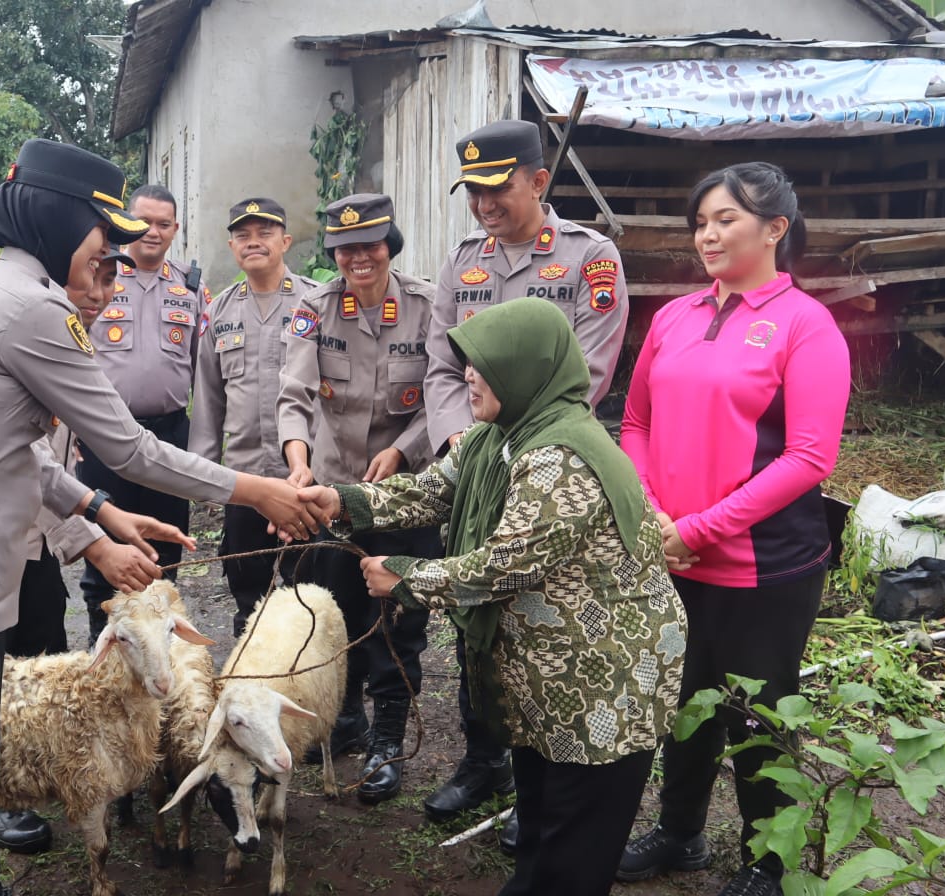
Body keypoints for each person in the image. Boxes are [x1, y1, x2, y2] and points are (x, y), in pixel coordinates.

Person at [0, 138, 320, 896]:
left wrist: (97, 511)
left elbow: (19, 450)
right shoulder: (31, 308)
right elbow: (132, 447)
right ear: (61, 222)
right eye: (105, 247)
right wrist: (259, 491)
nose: (111, 265)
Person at [297, 297, 685, 896]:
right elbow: (431, 490)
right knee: (540, 822)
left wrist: (405, 576)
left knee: (575, 848)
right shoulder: (496, 438)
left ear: (525, 369)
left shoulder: (561, 458)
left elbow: (505, 565)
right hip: (549, 681)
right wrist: (345, 502)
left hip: (601, 688)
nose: (468, 375)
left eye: (483, 363)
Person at [616, 162, 849, 896]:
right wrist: (653, 512)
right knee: (683, 706)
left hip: (763, 566)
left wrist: (703, 527)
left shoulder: (807, 326)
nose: (707, 234)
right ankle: (680, 833)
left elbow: (810, 455)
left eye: (727, 220)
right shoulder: (674, 318)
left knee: (758, 717)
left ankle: (768, 862)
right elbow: (636, 420)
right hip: (672, 552)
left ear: (776, 228)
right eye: (702, 220)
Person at [420, 119, 632, 839]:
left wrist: (501, 442)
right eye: (472, 191)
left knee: (539, 623)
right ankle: (483, 760)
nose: (483, 204)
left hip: (550, 466)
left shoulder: (588, 259)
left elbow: (587, 374)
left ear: (539, 182)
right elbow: (442, 366)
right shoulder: (462, 262)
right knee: (472, 610)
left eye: (497, 188)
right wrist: (462, 443)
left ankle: (533, 780)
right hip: (476, 468)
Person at [277, 193, 438, 804]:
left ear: (389, 244)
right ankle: (345, 721)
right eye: (345, 249)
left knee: (397, 616)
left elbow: (442, 393)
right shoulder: (313, 308)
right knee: (334, 608)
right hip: (332, 491)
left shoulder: (426, 306)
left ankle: (388, 739)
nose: (357, 258)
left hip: (404, 493)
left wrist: (402, 449)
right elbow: (293, 394)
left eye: (369, 244)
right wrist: (298, 461)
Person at [0, 244, 151, 856]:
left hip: (39, 542)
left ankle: (35, 780)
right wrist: (97, 542)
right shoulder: (23, 332)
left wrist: (102, 516)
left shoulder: (68, 338)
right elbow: (22, 467)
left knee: (43, 659)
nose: (101, 292)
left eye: (111, 279)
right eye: (92, 276)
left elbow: (53, 466)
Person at [76, 183, 206, 644]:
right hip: (103, 436)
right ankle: (103, 648)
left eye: (164, 224)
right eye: (145, 221)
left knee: (166, 550)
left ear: (176, 229)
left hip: (169, 434)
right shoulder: (101, 277)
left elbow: (201, 369)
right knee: (104, 548)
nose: (153, 231)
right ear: (128, 223)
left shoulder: (191, 289)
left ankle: (159, 651)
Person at [190, 197, 320, 635]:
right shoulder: (220, 310)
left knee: (309, 590)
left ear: (284, 241)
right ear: (231, 247)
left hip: (304, 478)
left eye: (264, 233)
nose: (254, 242)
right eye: (243, 235)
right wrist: (206, 470)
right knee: (248, 593)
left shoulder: (315, 303)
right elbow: (207, 396)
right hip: (244, 479)